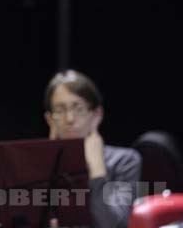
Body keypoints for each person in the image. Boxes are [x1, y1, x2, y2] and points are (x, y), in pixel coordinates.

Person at [44, 69, 142, 228]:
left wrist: (97, 173)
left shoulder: (125, 161)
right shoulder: (40, 165)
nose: (70, 119)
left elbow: (112, 224)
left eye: (78, 109)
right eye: (60, 110)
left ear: (96, 115)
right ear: (50, 119)